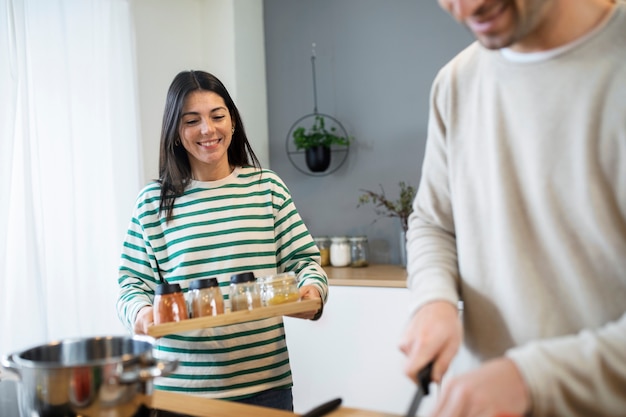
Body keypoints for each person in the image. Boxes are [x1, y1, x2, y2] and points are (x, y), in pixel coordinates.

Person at [399, 0, 626, 416]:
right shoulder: (455, 83)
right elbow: (434, 223)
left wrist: (532, 377)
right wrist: (434, 299)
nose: (465, 7)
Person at [116, 70, 328, 413]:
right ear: (175, 131)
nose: (207, 130)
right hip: (180, 391)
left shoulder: (266, 188)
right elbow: (131, 285)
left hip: (265, 385)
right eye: (192, 120)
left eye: (217, 116)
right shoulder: (152, 201)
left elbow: (304, 262)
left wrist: (313, 292)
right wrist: (141, 313)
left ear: (232, 122)